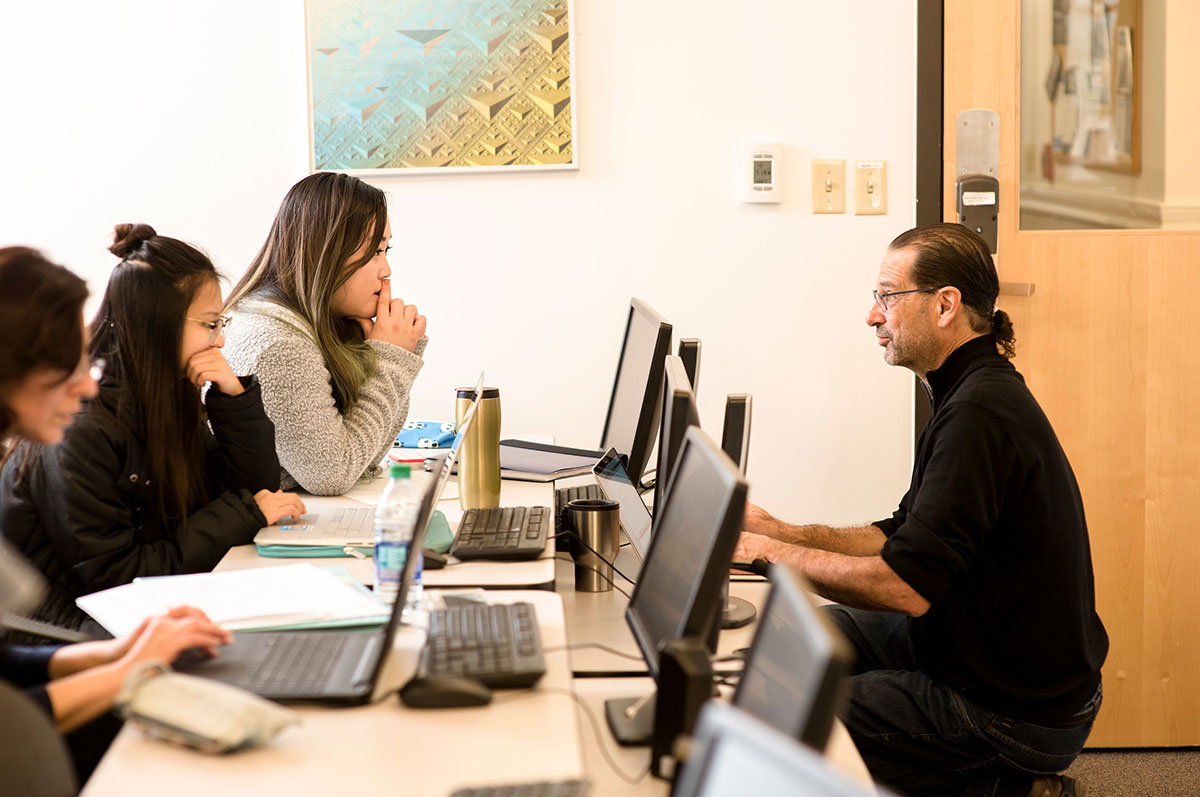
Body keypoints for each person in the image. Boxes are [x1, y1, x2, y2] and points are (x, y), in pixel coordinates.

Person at [735, 224, 1108, 797]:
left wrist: (766, 555)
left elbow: (905, 587)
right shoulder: (965, 389)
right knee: (792, 638)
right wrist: (778, 532)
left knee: (781, 707)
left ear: (944, 305)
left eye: (887, 295)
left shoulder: (979, 413)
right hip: (976, 652)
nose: (872, 315)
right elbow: (903, 535)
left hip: (1014, 710)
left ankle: (1006, 785)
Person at [0, 245, 232, 784]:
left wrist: (114, 654)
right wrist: (125, 668)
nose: (86, 382)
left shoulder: (168, 401)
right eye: (67, 365)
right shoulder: (87, 430)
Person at [0, 226, 305, 631]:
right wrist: (244, 513)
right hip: (72, 630)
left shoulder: (169, 400)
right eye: (210, 324)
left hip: (135, 615)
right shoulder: (82, 429)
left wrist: (233, 398)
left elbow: (253, 491)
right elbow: (115, 577)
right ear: (156, 324)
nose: (220, 342)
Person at [222, 172, 428, 496]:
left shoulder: (308, 322)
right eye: (375, 252)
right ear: (327, 252)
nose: (386, 269)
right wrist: (390, 358)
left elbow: (367, 456)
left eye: (387, 250)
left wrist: (381, 353)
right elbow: (332, 475)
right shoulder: (279, 344)